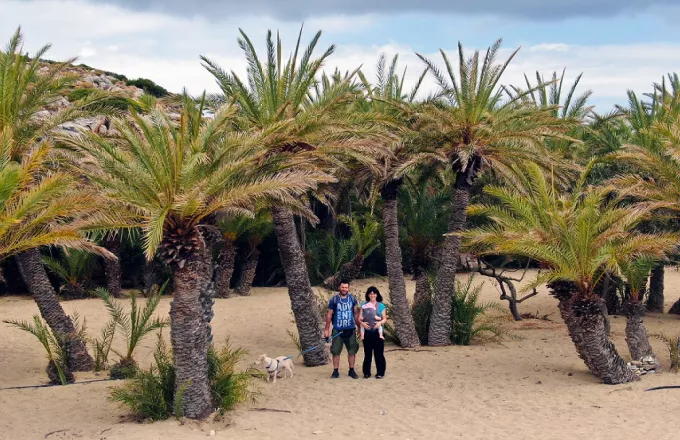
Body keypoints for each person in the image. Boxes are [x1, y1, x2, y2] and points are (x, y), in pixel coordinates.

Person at [323, 280, 360, 379]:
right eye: (342, 287)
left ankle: (351, 370)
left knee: (352, 350)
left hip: (350, 329)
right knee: (335, 351)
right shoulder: (334, 300)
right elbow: (329, 315)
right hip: (338, 330)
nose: (344, 289)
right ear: (339, 287)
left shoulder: (352, 299)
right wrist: (326, 329)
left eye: (346, 287)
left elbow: (356, 314)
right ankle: (335, 371)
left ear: (348, 288)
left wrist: (360, 328)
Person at [358, 286, 387, 379]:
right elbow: (359, 318)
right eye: (370, 293)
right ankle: (366, 372)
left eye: (374, 293)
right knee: (367, 354)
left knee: (379, 354)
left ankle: (380, 372)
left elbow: (384, 318)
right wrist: (362, 323)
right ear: (368, 295)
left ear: (377, 294)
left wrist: (380, 323)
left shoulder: (381, 305)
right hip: (367, 332)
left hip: (377, 332)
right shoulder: (364, 304)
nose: (372, 295)